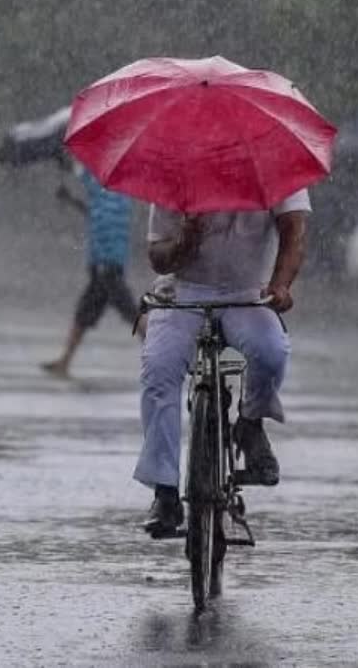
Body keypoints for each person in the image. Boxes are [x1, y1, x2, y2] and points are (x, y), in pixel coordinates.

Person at [137, 190, 310, 535]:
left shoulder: (274, 165)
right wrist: (184, 242)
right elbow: (157, 256)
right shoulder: (176, 172)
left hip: (247, 294)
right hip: (184, 293)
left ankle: (250, 422)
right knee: (159, 370)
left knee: (272, 352)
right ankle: (165, 490)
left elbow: (294, 232)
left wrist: (281, 285)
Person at [41, 160, 139, 378]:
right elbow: (94, 213)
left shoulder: (103, 184)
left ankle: (162, 359)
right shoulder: (117, 192)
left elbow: (96, 208)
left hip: (105, 264)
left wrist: (68, 169)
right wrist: (71, 199)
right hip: (106, 263)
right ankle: (65, 361)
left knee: (131, 312)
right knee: (85, 314)